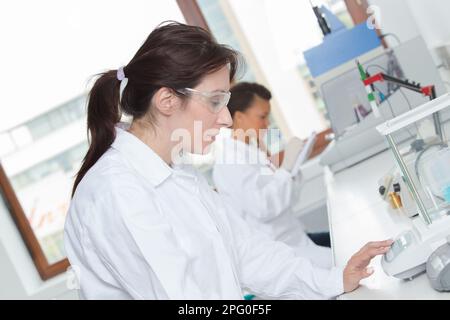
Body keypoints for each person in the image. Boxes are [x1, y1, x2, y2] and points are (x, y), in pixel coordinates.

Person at [64, 21, 393, 300]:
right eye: (216, 101)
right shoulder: (118, 193)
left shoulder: (177, 174)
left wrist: (335, 280)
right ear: (166, 100)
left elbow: (247, 252)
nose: (225, 119)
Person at [212, 82, 332, 269]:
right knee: (342, 259)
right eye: (262, 117)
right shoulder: (231, 162)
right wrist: (284, 171)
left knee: (341, 245)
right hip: (278, 252)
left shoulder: (253, 152)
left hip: (295, 239)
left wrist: (292, 169)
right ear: (239, 117)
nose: (267, 124)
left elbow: (288, 199)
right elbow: (262, 208)